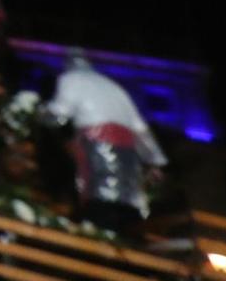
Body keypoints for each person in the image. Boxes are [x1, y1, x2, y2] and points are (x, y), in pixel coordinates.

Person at [41, 50, 167, 234]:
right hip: (127, 148)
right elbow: (140, 127)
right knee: (125, 195)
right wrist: (155, 159)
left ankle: (97, 229)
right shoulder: (115, 87)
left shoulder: (70, 79)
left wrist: (41, 114)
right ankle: (120, 232)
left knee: (98, 191)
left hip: (96, 140)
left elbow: (60, 111)